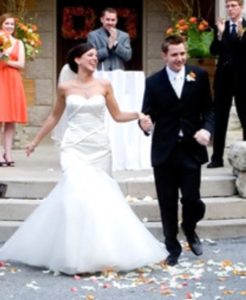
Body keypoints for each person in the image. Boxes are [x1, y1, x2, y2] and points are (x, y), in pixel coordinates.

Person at [0, 42, 166, 275]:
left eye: (96, 56)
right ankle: (71, 255)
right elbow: (54, 117)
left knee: (100, 198)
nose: (94, 59)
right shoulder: (65, 87)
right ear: (77, 60)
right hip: (73, 148)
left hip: (99, 148)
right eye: (90, 55)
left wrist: (138, 115)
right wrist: (35, 141)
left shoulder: (105, 85)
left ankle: (100, 254)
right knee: (75, 196)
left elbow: (117, 115)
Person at [139, 35, 214, 266]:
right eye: (174, 54)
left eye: (182, 54)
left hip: (191, 150)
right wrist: (144, 124)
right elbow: (146, 113)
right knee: (167, 202)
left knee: (192, 200)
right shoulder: (153, 82)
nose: (179, 58)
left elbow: (210, 110)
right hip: (165, 151)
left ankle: (189, 228)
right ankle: (172, 246)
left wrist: (206, 130)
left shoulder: (198, 76)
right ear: (164, 56)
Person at [207, 0, 246, 168]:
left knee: (245, 117)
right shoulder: (221, 27)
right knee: (220, 119)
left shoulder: (245, 26)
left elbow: (241, 50)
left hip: (243, 80)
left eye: (233, 6)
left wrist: (238, 36)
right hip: (223, 80)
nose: (230, 9)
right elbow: (213, 50)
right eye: (228, 6)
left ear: (241, 7)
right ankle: (216, 158)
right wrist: (221, 34)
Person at [0, 13, 27, 167]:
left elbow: (21, 64)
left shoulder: (18, 43)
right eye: (6, 23)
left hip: (13, 79)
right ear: (1, 24)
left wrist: (5, 58)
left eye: (11, 24)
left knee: (10, 119)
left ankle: (8, 153)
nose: (9, 26)